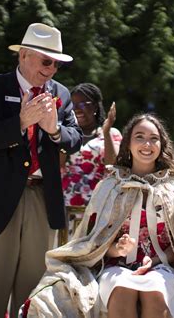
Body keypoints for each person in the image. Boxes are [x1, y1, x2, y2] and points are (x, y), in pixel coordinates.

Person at [20, 113, 174, 318]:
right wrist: (117, 249)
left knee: (155, 292)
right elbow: (94, 243)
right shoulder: (110, 187)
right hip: (116, 267)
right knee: (121, 290)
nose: (147, 144)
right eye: (139, 137)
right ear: (128, 143)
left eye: (153, 138)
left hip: (163, 267)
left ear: (162, 144)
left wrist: (155, 260)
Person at [0, 23, 82, 318]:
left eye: (57, 63)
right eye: (46, 61)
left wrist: (55, 130)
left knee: (34, 289)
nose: (52, 68)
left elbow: (75, 139)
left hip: (43, 198)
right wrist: (19, 122)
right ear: (24, 55)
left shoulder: (62, 94)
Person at [59, 83, 122, 244]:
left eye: (82, 104)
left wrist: (107, 131)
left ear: (95, 107)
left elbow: (114, 166)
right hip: (65, 209)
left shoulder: (110, 134)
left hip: (98, 210)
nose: (77, 109)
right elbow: (58, 166)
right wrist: (62, 134)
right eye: (72, 105)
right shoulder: (65, 133)